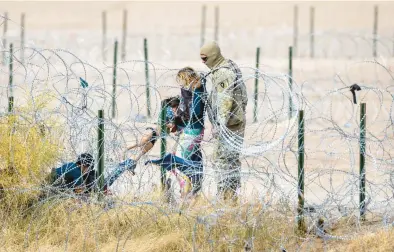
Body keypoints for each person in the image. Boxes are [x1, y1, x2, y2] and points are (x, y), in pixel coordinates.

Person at [199, 41, 248, 201]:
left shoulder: (223, 72)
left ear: (213, 56)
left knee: (223, 160)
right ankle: (230, 195)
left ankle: (225, 195)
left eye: (205, 58)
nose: (203, 62)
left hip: (229, 125)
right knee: (231, 160)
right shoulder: (227, 66)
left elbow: (225, 100)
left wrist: (220, 125)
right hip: (234, 122)